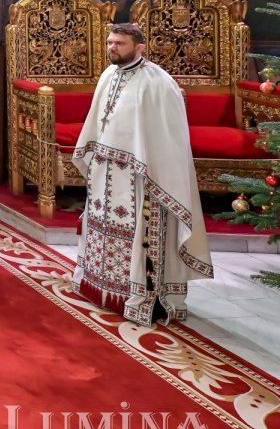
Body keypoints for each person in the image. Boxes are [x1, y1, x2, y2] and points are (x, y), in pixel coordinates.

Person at [70, 23, 213, 325]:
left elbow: (169, 137)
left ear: (139, 47)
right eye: (110, 42)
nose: (112, 48)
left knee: (135, 237)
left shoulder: (159, 82)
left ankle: (140, 297)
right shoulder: (108, 75)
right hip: (105, 173)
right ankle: (100, 287)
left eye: (119, 44)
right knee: (103, 230)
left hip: (139, 179)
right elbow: (98, 121)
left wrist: (149, 169)